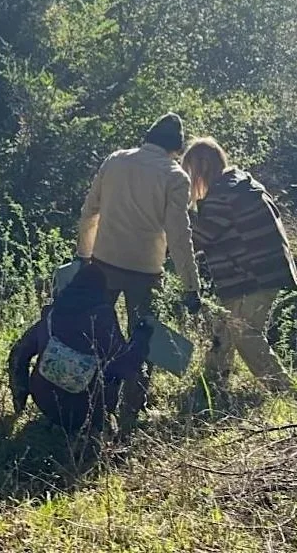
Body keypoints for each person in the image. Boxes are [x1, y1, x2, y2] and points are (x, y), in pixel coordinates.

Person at [74, 112, 201, 420]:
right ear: (177, 149)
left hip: (102, 263)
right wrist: (191, 286)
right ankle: (134, 404)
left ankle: (85, 392)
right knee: (142, 338)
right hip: (145, 272)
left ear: (147, 137)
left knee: (93, 331)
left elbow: (90, 211)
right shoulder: (175, 176)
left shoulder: (115, 160)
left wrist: (83, 255)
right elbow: (179, 235)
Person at [184, 136, 297, 395]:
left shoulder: (221, 195)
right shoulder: (242, 184)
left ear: (200, 169)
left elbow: (199, 239)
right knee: (224, 329)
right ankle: (211, 386)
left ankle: (287, 394)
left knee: (245, 334)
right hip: (264, 271)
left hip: (252, 275)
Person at [8, 263, 153, 447]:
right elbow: (127, 365)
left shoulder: (52, 315)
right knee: (112, 373)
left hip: (45, 401)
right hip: (89, 412)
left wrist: (20, 397)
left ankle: (58, 421)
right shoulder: (102, 321)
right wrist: (141, 337)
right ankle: (123, 423)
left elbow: (19, 354)